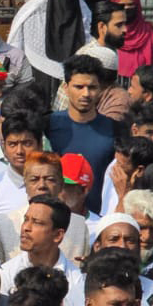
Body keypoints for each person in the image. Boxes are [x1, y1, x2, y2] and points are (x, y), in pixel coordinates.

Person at [7, 0, 92, 100]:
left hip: (74, 77)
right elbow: (17, 49)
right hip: (35, 77)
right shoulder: (32, 12)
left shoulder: (83, 11)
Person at [49, 55, 117, 214]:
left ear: (100, 89)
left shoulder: (115, 129)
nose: (86, 94)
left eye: (92, 87)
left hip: (98, 218)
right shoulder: (48, 126)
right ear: (65, 88)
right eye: (79, 87)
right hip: (56, 218)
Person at [107, 0, 153, 77]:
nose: (126, 8)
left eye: (130, 4)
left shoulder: (149, 33)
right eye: (122, 5)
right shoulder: (106, 32)